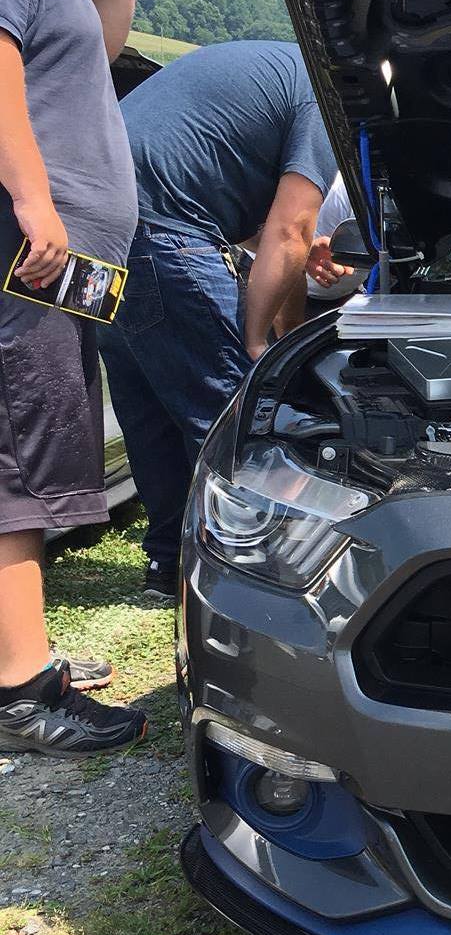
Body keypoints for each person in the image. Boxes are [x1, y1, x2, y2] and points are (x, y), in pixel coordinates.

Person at [0, 0, 154, 754]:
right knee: (21, 450)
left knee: (43, 438)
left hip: (65, 253)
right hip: (30, 241)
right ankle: (20, 692)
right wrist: (33, 197)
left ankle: (22, 649)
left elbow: (95, 46)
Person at [100, 40, 350, 600]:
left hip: (95, 232)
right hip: (163, 232)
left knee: (150, 410)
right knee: (232, 408)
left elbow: (280, 244)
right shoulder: (325, 91)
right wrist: (257, 345)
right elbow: (291, 232)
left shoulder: (276, 71)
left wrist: (287, 336)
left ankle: (169, 563)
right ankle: (255, 570)